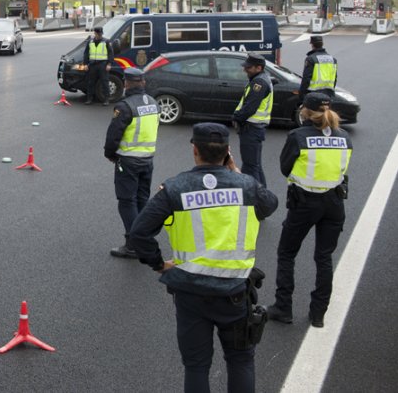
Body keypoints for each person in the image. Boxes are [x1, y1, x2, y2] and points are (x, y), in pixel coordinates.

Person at [129, 123, 279, 393]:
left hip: (190, 293)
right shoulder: (247, 186)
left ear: (194, 150)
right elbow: (271, 204)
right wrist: (234, 170)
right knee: (240, 359)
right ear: (227, 152)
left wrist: (159, 264)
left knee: (197, 366)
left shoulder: (175, 188)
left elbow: (139, 233)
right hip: (234, 293)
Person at [268, 92, 352, 328]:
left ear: (305, 111)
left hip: (304, 202)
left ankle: (283, 307)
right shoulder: (344, 137)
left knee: (287, 253)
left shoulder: (298, 136)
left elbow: (286, 168)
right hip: (334, 203)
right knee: (324, 258)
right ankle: (318, 314)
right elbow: (343, 169)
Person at [106, 68, 159, 258]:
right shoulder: (153, 103)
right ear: (142, 83)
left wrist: (110, 154)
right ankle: (144, 238)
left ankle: (134, 244)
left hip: (128, 161)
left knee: (127, 202)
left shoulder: (125, 106)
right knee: (142, 200)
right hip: (147, 160)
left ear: (127, 83)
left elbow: (113, 135)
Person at [232, 53, 273, 186]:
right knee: (255, 166)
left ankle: (254, 198)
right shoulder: (262, 79)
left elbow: (250, 107)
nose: (245, 69)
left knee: (250, 167)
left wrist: (237, 117)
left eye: (249, 67)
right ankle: (263, 195)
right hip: (256, 128)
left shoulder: (259, 83)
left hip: (251, 128)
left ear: (259, 68)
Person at [299, 35, 337, 100]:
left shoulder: (311, 59)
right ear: (322, 44)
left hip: (313, 95)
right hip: (328, 94)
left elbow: (306, 79)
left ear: (312, 45)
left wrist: (301, 94)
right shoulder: (332, 59)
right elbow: (335, 78)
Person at [83, 27, 113, 105]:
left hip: (102, 64)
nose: (99, 35)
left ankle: (106, 99)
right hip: (92, 64)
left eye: (100, 34)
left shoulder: (106, 41)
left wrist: (109, 64)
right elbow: (86, 54)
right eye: (98, 34)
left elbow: (110, 53)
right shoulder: (90, 42)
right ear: (95, 33)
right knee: (90, 82)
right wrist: (85, 64)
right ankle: (89, 99)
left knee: (104, 82)